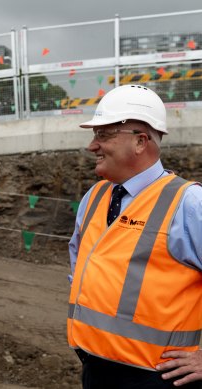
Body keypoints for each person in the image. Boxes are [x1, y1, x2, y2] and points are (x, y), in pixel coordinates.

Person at [67, 84, 202, 388]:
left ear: (141, 142)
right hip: (96, 372)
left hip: (161, 379)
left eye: (103, 135)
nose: (92, 146)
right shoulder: (94, 196)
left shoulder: (188, 204)